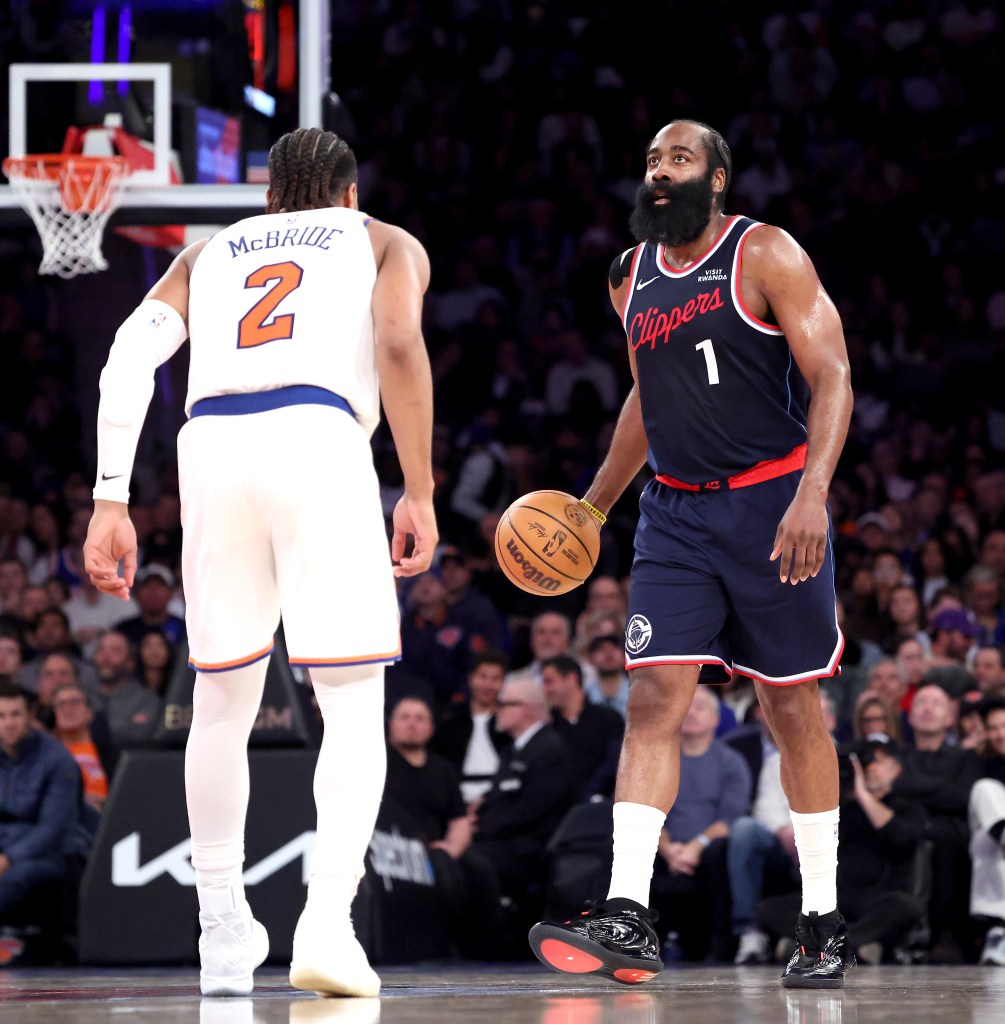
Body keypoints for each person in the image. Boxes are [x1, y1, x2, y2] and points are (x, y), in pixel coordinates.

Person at [82, 127, 437, 999]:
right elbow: (396, 347)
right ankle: (326, 920)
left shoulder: (209, 252)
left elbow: (128, 357)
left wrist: (110, 498)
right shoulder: (380, 238)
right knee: (352, 701)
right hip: (317, 435)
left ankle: (221, 933)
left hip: (209, 446)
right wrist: (419, 488)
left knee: (220, 701)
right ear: (347, 195)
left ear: (269, 199)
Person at [528, 119, 855, 988]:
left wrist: (811, 496)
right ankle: (628, 911)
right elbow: (647, 398)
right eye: (650, 162)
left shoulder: (765, 253)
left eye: (678, 160)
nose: (659, 173)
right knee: (651, 697)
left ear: (716, 181)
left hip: (772, 502)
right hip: (673, 515)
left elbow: (832, 377)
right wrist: (595, 504)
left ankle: (820, 916)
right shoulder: (627, 276)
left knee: (789, 709)